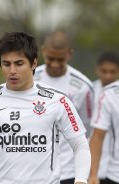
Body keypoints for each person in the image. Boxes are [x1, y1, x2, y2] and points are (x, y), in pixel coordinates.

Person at [0, 32, 91, 184]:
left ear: (34, 63)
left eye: (19, 63)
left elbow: (80, 145)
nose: (12, 70)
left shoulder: (58, 100)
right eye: (6, 64)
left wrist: (81, 180)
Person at [34, 31, 94, 184]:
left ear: (69, 54)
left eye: (60, 59)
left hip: (68, 172)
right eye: (50, 58)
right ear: (43, 51)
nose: (54, 64)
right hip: (34, 170)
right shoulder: (30, 78)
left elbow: (87, 131)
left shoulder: (83, 86)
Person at [92, 51, 119, 184]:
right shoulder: (88, 91)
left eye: (112, 71)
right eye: (104, 71)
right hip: (93, 161)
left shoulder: (115, 93)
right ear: (97, 69)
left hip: (112, 165)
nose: (108, 76)